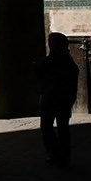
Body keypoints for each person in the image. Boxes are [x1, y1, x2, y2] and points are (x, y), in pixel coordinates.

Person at [37, 32, 79, 168]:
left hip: (59, 99)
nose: (51, 44)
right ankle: (57, 153)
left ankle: (59, 155)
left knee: (60, 127)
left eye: (53, 42)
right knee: (50, 127)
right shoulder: (58, 60)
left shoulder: (63, 61)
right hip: (52, 98)